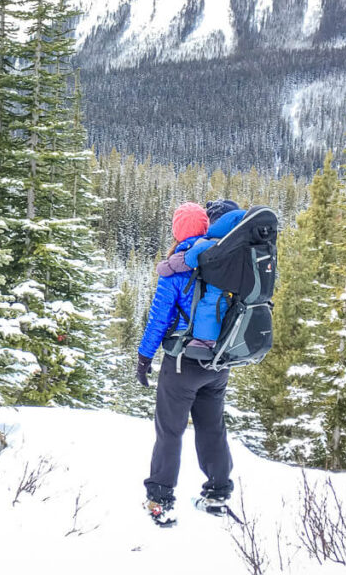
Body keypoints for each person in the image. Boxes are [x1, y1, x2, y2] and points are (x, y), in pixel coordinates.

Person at [136, 199, 242, 526]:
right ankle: (217, 493)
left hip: (183, 363)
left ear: (178, 230)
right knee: (212, 428)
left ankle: (160, 500)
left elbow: (159, 319)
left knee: (170, 431)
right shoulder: (223, 257)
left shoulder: (179, 265)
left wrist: (144, 358)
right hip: (218, 361)